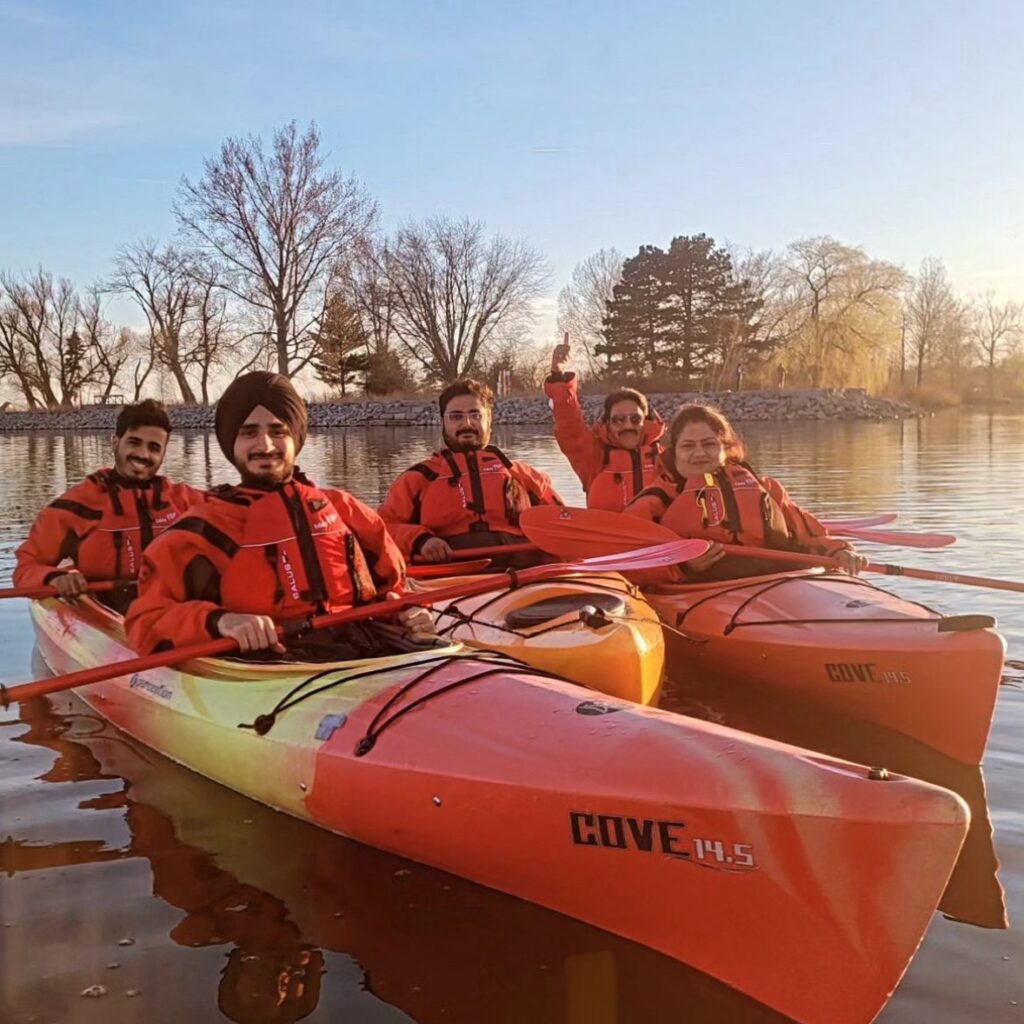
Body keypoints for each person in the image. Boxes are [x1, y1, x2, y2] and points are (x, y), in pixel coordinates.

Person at [126, 372, 434, 656]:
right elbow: (145, 623)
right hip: (271, 666)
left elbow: (396, 587)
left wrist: (410, 610)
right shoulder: (200, 529)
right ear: (231, 443)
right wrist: (220, 621)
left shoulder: (343, 509)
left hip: (365, 651)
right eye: (249, 433)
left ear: (296, 438)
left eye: (278, 431)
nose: (265, 444)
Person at [624, 403, 868, 580]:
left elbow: (810, 534)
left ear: (725, 448)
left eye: (709, 444)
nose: (699, 453)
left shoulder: (766, 488)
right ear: (673, 452)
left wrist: (841, 550)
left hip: (779, 580)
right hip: (703, 589)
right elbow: (625, 558)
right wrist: (681, 567)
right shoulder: (657, 499)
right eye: (688, 446)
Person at [13, 399, 204, 612]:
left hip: (174, 608)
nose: (143, 454)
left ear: (162, 454)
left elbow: (235, 511)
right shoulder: (78, 505)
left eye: (154, 447)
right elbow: (26, 566)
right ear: (115, 442)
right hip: (107, 611)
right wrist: (51, 577)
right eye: (134, 442)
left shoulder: (184, 500)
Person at [378, 378, 564, 565]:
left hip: (524, 574)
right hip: (450, 578)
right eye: (456, 417)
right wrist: (420, 541)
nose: (467, 423)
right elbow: (381, 528)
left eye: (475, 415)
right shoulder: (418, 479)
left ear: (489, 420)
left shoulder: (523, 476)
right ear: (443, 423)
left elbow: (564, 524)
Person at [543, 335, 665, 511]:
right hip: (606, 536)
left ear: (645, 422)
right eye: (618, 420)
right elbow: (569, 425)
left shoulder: (668, 459)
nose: (628, 425)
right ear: (608, 424)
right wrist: (558, 375)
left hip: (662, 537)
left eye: (635, 419)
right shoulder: (593, 459)